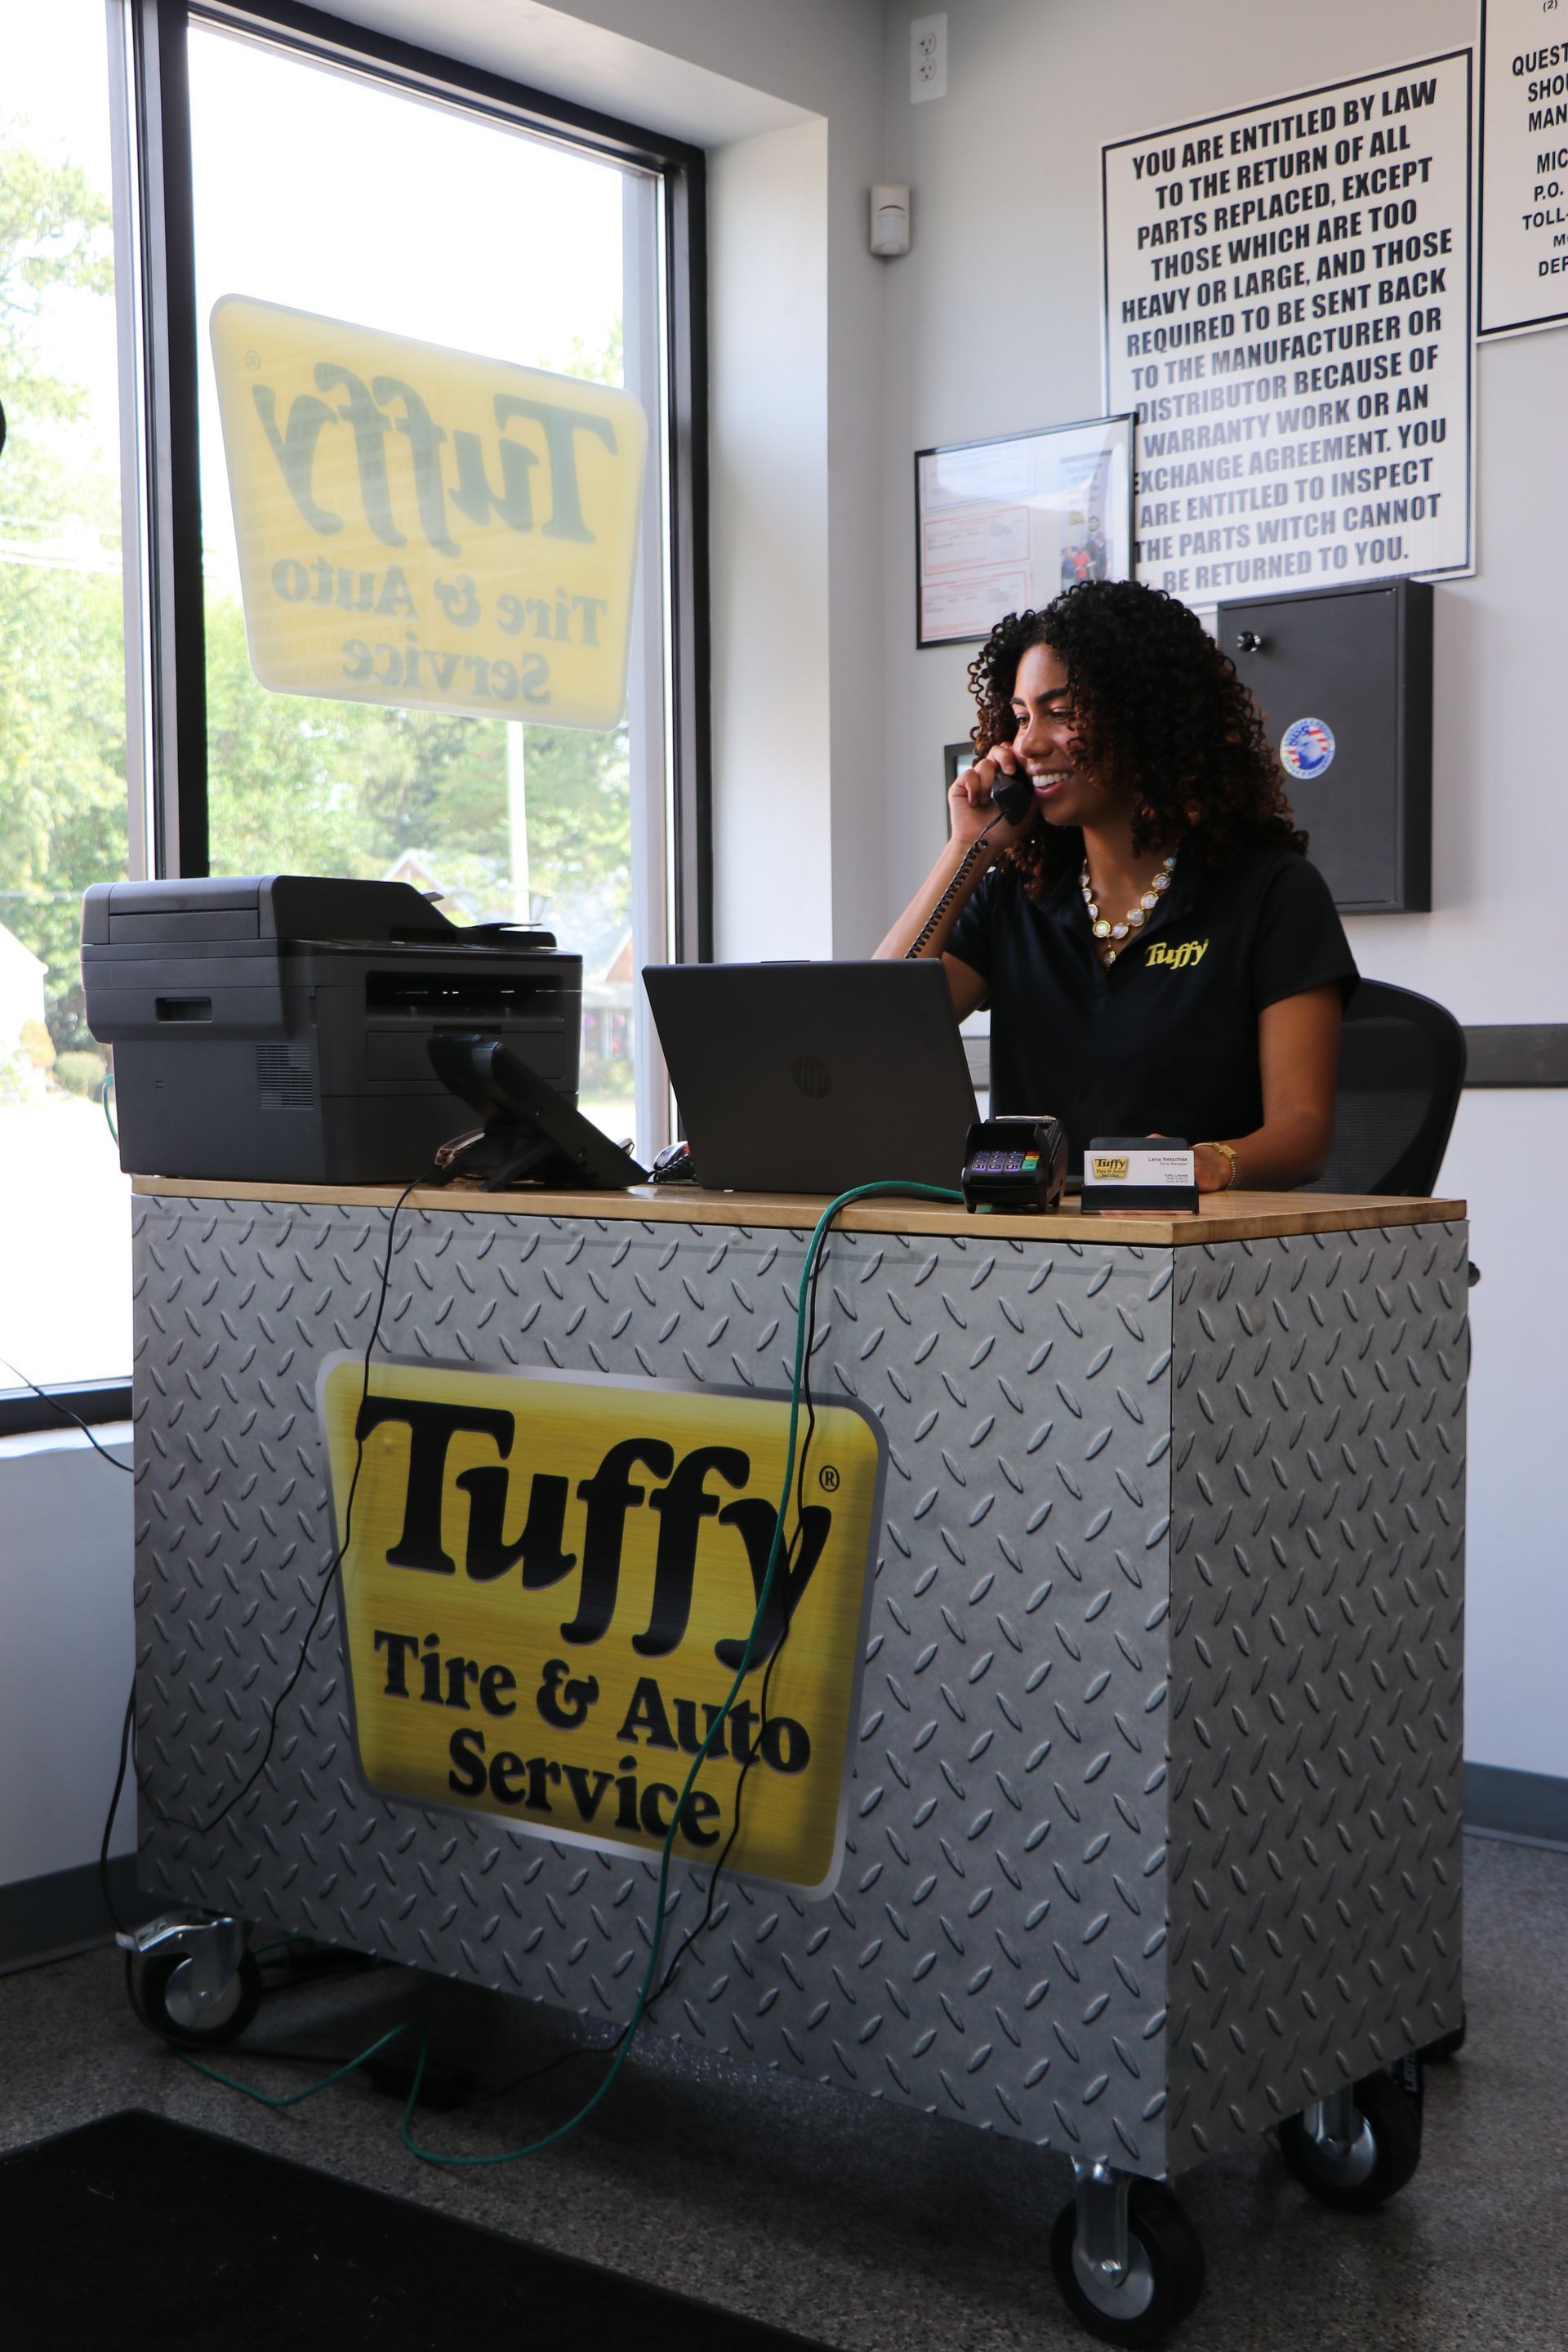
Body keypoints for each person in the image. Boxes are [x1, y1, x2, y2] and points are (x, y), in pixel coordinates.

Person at [876, 578, 1356, 1192]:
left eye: (1062, 713)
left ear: (1144, 718)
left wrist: (1210, 1161)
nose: (1030, 742)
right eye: (1021, 718)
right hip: (1031, 1246)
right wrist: (968, 850)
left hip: (1195, 1250)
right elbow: (880, 1032)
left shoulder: (1272, 892)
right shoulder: (1014, 897)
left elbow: (1304, 1131)